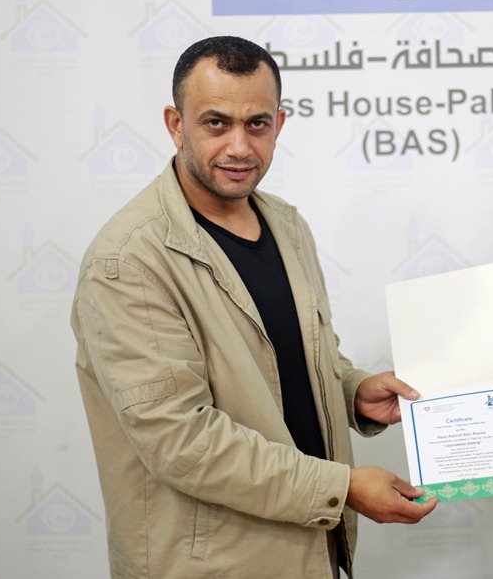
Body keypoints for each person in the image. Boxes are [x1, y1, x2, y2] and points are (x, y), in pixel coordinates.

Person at [71, 36, 436, 579]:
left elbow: (297, 363)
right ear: (176, 124)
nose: (239, 147)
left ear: (279, 125)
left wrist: (354, 392)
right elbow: (181, 440)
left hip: (310, 551)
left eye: (257, 124)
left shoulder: (287, 224)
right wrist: (342, 487)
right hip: (210, 566)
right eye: (216, 123)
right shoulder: (127, 261)